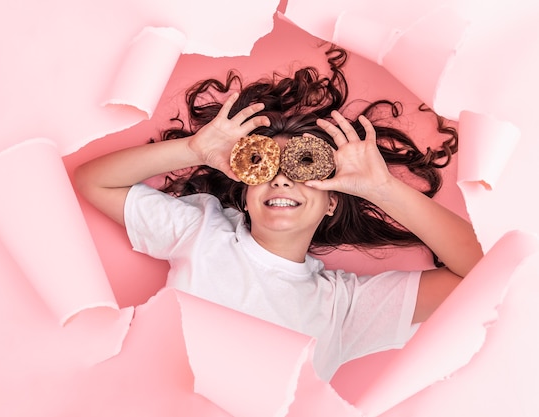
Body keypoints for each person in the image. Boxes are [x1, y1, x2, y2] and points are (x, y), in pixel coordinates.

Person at [73, 46, 483, 381]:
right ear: (245, 194)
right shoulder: (201, 232)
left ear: (333, 200)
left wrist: (382, 189)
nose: (282, 182)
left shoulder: (346, 308)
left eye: (302, 171)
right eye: (267, 170)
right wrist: (193, 150)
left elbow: (479, 273)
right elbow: (94, 181)